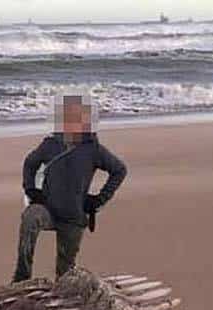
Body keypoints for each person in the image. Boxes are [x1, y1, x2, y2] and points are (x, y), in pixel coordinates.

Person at [12, 94, 127, 282]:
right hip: (46, 209)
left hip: (74, 217)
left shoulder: (94, 149)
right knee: (30, 217)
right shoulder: (49, 144)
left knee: (65, 275)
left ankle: (61, 290)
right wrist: (31, 190)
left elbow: (119, 170)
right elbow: (30, 163)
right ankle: (21, 277)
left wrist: (98, 200)